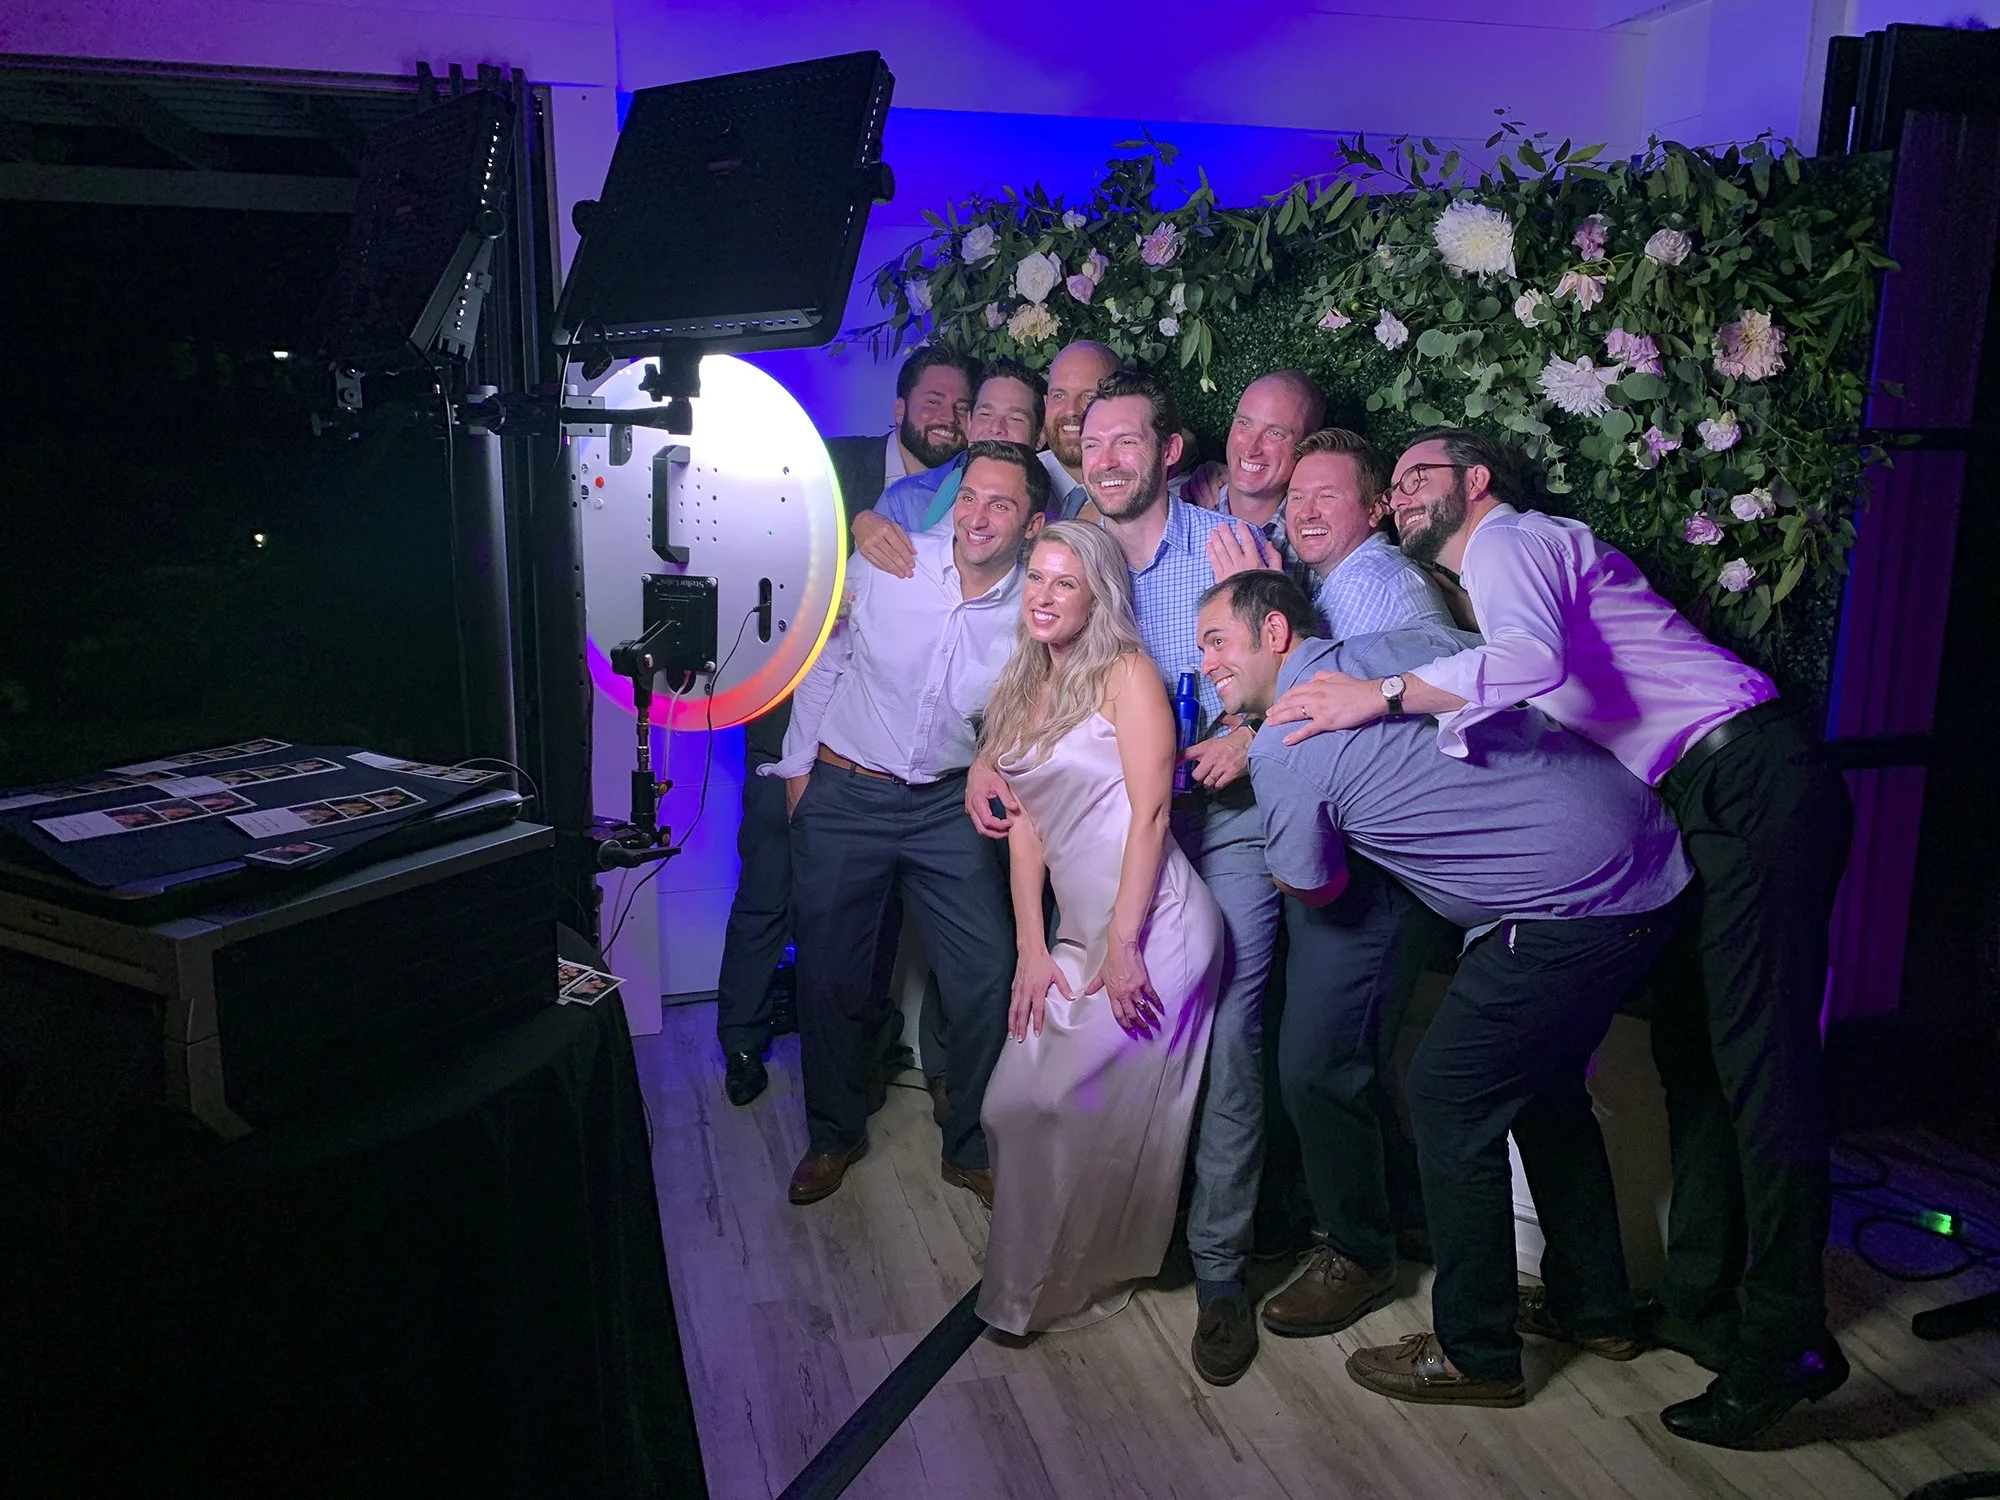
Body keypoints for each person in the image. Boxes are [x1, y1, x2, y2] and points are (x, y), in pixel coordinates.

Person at [1267, 427, 1855, 1448]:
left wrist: (1380, 694)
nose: (1402, 493)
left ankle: (1785, 1345)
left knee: (1763, 1078)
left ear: (1476, 481)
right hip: (1697, 803)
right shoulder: (1477, 591)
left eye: (1419, 475)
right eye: (1394, 481)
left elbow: (1526, 664)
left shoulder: (1508, 542)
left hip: (1748, 780)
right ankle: (1698, 1301)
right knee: (1700, 1065)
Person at [1200, 569, 1693, 1409]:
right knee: (1544, 1093)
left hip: (1569, 908)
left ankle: (1477, 1352)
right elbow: (1502, 676)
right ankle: (1594, 1307)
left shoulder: (1286, 747)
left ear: (1275, 633)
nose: (1204, 661)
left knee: (1444, 1095)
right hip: (1656, 858)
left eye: (1217, 641)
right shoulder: (1394, 649)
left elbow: (1314, 887)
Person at [967, 369, 1279, 1386]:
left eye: (1124, 442)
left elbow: (1284, 665)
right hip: (1097, 854)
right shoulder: (1062, 554)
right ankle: (1082, 1234)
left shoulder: (1219, 553)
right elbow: (1034, 736)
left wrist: (1247, 724)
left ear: (1167, 450)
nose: (1102, 458)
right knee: (1043, 1081)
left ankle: (1221, 1272)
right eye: (1088, 442)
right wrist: (990, 757)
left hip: (1210, 829)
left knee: (1224, 1038)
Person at [766, 440, 1050, 1209]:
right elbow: (825, 661)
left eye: (1001, 504)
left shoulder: (1035, 605)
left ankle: (969, 1145)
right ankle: (832, 1133)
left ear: (1032, 522)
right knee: (829, 975)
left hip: (946, 806)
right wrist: (800, 772)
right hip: (847, 791)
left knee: (987, 972)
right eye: (969, 498)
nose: (978, 518)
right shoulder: (889, 564)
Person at [975, 520, 1223, 1334]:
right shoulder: (1017, 685)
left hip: (1158, 928)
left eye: (1064, 583)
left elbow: (1152, 814)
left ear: (1097, 596)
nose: (1044, 597)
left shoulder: (1127, 674)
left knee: (1068, 1100)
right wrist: (1030, 949)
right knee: (1012, 1101)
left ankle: (1062, 1280)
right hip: (1076, 929)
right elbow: (1027, 827)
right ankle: (1036, 1268)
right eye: (1036, 580)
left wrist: (1123, 945)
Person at [1209, 426, 1462, 642]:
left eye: (1327, 496)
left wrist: (1253, 598)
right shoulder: (1351, 574)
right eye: (1296, 497)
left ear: (1375, 510)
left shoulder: (1366, 582)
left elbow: (1304, 693)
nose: (1306, 513)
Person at [851, 359, 1046, 576]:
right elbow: (859, 590)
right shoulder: (903, 500)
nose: (996, 428)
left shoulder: (1056, 508)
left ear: (1040, 437)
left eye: (1015, 418)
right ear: (970, 423)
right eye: (985, 414)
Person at [821, 345, 974, 514]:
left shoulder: (975, 484)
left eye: (961, 408)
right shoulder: (832, 464)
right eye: (933, 402)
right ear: (900, 410)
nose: (950, 417)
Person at [1039, 340, 1122, 522]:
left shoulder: (1151, 488)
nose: (1070, 410)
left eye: (1088, 396)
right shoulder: (1021, 479)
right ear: (1046, 404)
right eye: (1059, 396)